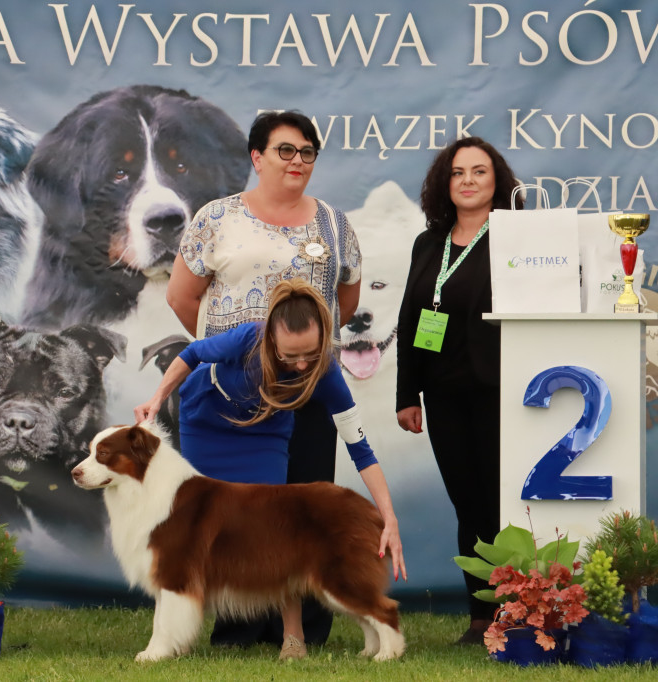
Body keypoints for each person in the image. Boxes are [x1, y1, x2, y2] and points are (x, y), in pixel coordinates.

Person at [165, 110, 361, 647]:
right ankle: (241, 624)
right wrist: (239, 357)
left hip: (308, 390)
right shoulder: (215, 218)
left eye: (308, 152)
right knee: (239, 511)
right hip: (234, 397)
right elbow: (182, 297)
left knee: (303, 507)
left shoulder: (335, 224)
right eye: (285, 150)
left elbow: (344, 302)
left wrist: (297, 357)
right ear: (257, 157)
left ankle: (305, 628)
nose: (298, 161)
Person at [136, 279, 406, 661]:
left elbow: (361, 450)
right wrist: (157, 397)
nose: (300, 365)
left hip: (266, 427)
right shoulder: (247, 338)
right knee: (196, 526)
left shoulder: (326, 370)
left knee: (276, 533)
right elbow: (193, 353)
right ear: (271, 341)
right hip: (207, 418)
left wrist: (389, 517)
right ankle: (190, 628)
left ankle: (292, 636)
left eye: (308, 355)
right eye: (289, 356)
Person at [395, 136, 523, 645]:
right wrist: (407, 393)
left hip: (503, 391)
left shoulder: (519, 238)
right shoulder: (429, 243)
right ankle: (479, 616)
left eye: (479, 171)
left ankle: (517, 610)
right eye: (457, 172)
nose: (468, 180)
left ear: (498, 181)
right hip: (442, 396)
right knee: (466, 506)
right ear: (443, 183)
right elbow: (409, 320)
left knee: (499, 505)